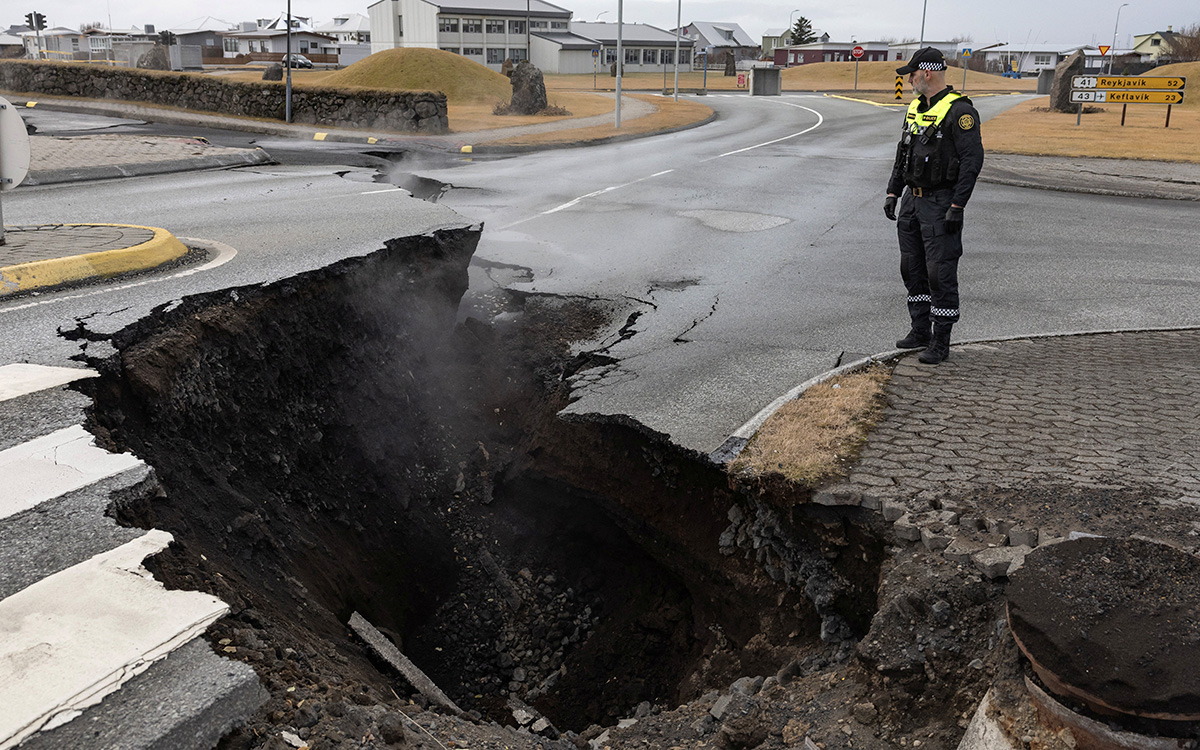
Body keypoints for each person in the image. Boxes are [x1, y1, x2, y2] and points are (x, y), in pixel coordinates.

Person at [884, 47, 984, 364]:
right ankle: (920, 330)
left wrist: (958, 204)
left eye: (911, 74)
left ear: (926, 73)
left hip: (942, 202)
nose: (909, 80)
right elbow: (904, 154)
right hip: (913, 201)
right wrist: (893, 192)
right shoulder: (915, 107)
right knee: (911, 268)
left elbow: (972, 161)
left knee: (940, 273)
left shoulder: (960, 112)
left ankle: (941, 342)